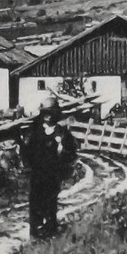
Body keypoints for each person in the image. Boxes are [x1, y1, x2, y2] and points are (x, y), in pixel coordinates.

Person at [19, 98, 78, 239]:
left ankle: (50, 231)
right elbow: (26, 151)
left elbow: (72, 152)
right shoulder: (34, 130)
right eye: (45, 112)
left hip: (53, 174)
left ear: (56, 114)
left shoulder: (61, 132)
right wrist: (26, 157)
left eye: (51, 112)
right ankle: (35, 232)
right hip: (37, 173)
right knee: (35, 201)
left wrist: (62, 151)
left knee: (50, 202)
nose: (48, 116)